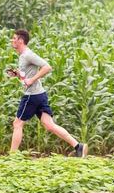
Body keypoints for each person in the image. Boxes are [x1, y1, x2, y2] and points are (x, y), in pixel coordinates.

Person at [6, 29, 86, 157]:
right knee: (49, 125)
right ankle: (78, 146)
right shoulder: (22, 56)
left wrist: (32, 79)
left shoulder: (27, 54)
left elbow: (47, 67)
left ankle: (12, 156)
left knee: (17, 123)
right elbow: (26, 75)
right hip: (40, 95)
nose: (12, 40)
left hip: (31, 96)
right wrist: (16, 74)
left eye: (14, 38)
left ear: (20, 41)